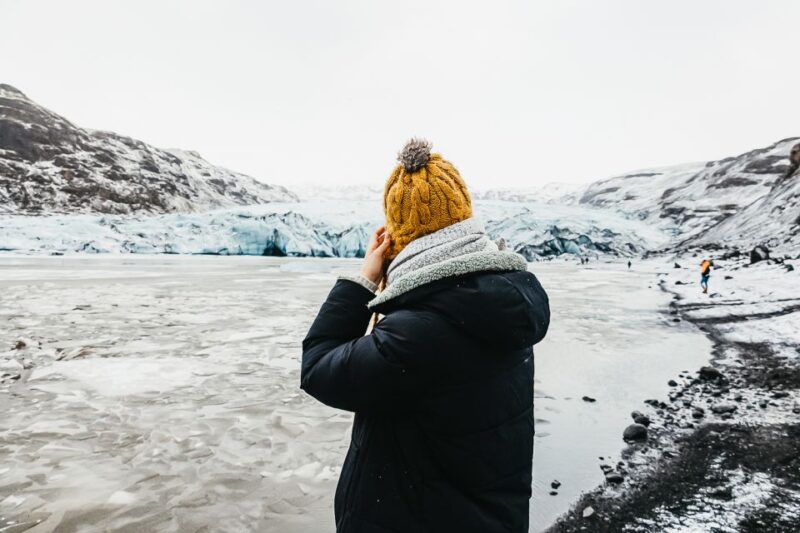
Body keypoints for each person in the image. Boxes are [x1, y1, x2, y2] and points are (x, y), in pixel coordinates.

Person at [301, 139, 551, 533]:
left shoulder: (417, 333)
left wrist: (363, 281)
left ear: (401, 239)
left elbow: (317, 368)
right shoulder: (505, 302)